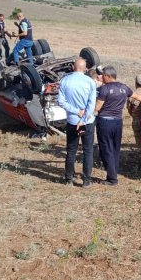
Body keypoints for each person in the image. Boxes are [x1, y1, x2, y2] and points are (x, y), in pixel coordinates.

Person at [95, 66, 141, 186]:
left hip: (105, 122)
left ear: (108, 76)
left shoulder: (104, 89)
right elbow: (137, 96)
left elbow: (97, 108)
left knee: (106, 149)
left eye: (103, 75)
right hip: (118, 122)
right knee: (115, 148)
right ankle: (114, 171)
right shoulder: (124, 87)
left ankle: (112, 178)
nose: (102, 78)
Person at [57, 57, 97, 187]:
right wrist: (84, 118)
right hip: (87, 122)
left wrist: (75, 111)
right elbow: (92, 104)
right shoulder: (90, 82)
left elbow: (61, 102)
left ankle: (68, 178)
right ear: (85, 69)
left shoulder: (65, 81)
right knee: (88, 151)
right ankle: (86, 180)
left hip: (72, 121)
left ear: (73, 67)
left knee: (71, 150)